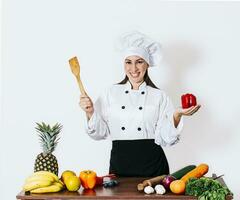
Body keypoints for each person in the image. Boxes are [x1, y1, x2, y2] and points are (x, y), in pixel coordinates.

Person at [79, 31, 201, 177]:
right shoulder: (110, 93)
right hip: (120, 164)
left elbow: (166, 138)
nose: (134, 68)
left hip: (154, 167)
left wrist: (176, 115)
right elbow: (100, 133)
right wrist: (90, 112)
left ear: (147, 63)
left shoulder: (159, 96)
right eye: (128, 62)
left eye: (139, 61)